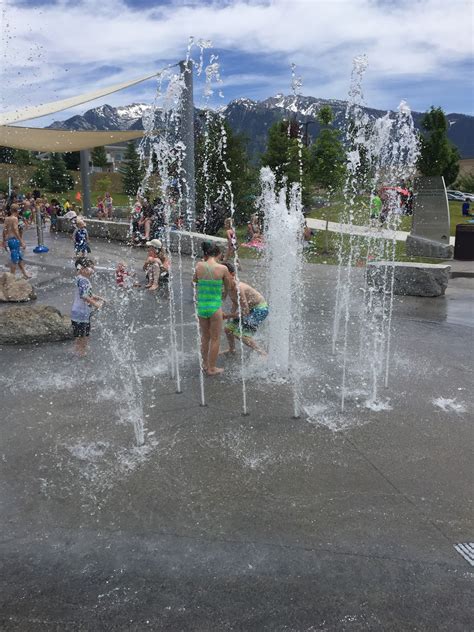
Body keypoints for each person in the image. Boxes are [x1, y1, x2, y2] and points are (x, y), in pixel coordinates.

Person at [193, 241, 231, 375]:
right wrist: (224, 294)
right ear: (217, 254)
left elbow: (194, 281)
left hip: (202, 306)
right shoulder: (222, 269)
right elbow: (229, 285)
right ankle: (212, 368)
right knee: (215, 338)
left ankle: (204, 364)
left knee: (205, 337)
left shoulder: (199, 266)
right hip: (215, 307)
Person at [221, 261, 268, 356]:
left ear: (232, 275)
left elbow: (245, 311)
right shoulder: (228, 287)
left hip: (260, 309)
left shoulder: (238, 288)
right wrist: (230, 317)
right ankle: (232, 350)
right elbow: (235, 302)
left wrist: (227, 316)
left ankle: (262, 353)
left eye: (223, 275)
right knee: (228, 329)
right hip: (250, 309)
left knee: (241, 334)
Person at [70, 258, 105, 357]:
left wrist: (98, 297)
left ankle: (77, 349)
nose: (93, 270)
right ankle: (81, 353)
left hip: (80, 312)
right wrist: (96, 304)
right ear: (82, 269)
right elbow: (84, 296)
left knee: (81, 334)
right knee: (83, 335)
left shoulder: (80, 279)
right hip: (81, 313)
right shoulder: (83, 281)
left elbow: (87, 294)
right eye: (90, 268)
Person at [1, 205, 31, 278]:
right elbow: (15, 230)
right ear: (17, 211)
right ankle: (12, 277)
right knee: (14, 259)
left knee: (19, 258)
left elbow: (4, 230)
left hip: (10, 240)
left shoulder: (7, 218)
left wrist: (4, 241)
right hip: (14, 240)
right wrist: (21, 241)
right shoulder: (15, 219)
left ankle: (24, 273)